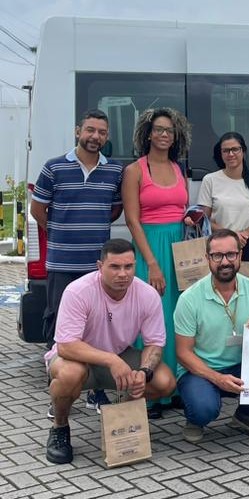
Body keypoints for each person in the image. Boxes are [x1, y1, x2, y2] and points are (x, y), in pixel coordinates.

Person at [44, 239, 176, 464]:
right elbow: (66, 345)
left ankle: (121, 418)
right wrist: (111, 360)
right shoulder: (78, 291)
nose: (123, 274)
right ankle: (60, 428)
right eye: (114, 267)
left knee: (165, 382)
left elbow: (154, 343)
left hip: (119, 356)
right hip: (78, 359)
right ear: (99, 266)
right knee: (68, 376)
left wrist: (143, 373)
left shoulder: (147, 294)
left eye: (128, 267)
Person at [30, 108, 124, 415]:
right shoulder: (54, 167)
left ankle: (97, 392)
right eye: (90, 130)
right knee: (59, 327)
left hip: (98, 266)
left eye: (101, 132)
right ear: (77, 131)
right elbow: (37, 210)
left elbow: (114, 210)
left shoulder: (114, 171)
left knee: (99, 328)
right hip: (62, 263)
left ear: (107, 136)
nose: (95, 136)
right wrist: (60, 233)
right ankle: (60, 394)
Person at [174, 229, 249, 443]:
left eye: (231, 254)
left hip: (241, 365)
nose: (225, 262)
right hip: (200, 370)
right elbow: (183, 353)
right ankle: (195, 419)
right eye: (217, 256)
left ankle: (246, 415)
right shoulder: (190, 298)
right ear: (207, 259)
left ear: (240, 255)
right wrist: (218, 379)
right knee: (204, 408)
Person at [122, 107, 190, 418]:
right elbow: (133, 220)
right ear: (148, 133)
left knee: (177, 315)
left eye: (169, 131)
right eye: (159, 129)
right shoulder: (136, 170)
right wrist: (151, 263)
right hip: (150, 248)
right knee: (152, 317)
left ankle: (172, 388)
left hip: (178, 249)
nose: (164, 135)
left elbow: (183, 210)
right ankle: (148, 394)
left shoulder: (178, 169)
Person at [197, 132, 249, 299]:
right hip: (219, 247)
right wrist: (231, 235)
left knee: (248, 295)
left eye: (235, 149)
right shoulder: (210, 180)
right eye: (226, 151)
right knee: (222, 293)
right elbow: (204, 218)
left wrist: (247, 232)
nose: (230, 154)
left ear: (243, 151)